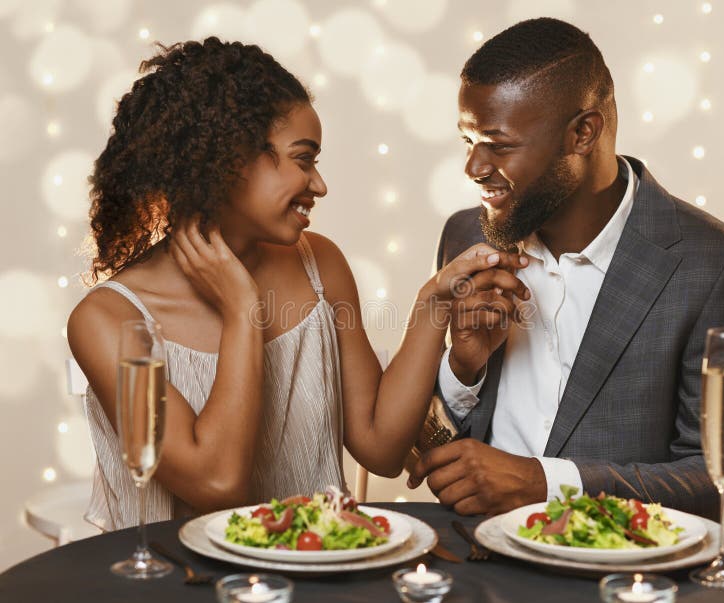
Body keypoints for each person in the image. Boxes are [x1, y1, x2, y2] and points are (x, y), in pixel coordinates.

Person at [68, 37, 528, 530]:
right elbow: (218, 485)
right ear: (229, 160)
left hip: (315, 573)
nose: (319, 184)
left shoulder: (320, 262)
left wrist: (431, 303)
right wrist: (242, 309)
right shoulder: (107, 319)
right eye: (303, 159)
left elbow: (382, 448)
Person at [407, 18, 724, 537]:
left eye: (498, 143)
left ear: (583, 132)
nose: (473, 166)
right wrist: (462, 370)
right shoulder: (467, 236)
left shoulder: (720, 265)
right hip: (476, 568)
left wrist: (548, 485)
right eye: (468, 140)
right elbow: (434, 452)